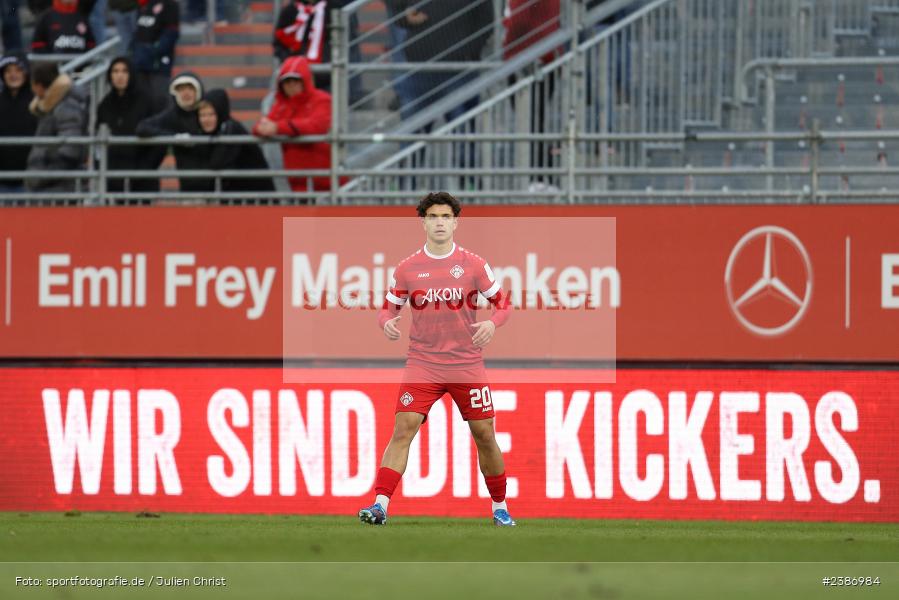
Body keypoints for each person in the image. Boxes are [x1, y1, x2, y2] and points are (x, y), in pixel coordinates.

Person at [357, 192, 515, 527]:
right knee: (404, 427)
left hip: (466, 363)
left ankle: (500, 507)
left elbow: (504, 304)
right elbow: (388, 308)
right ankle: (380, 505)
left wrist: (491, 322)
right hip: (423, 363)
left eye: (445, 216)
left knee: (484, 433)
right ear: (424, 222)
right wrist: (387, 322)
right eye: (433, 217)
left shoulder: (473, 264)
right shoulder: (408, 268)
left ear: (456, 221)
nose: (439, 222)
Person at [253, 55, 333, 196]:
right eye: (287, 82)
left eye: (295, 81)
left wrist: (278, 127)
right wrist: (262, 128)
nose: (291, 86)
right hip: (296, 178)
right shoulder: (282, 105)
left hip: (323, 178)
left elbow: (316, 126)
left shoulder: (322, 99)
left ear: (305, 81)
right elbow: (261, 125)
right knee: (299, 215)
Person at [96, 56, 166, 195]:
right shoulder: (105, 105)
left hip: (142, 182)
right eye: (115, 71)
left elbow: (159, 141)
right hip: (113, 181)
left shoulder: (147, 101)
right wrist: (102, 167)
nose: (119, 76)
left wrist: (143, 171)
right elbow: (98, 140)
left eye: (124, 71)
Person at [136, 71, 212, 192]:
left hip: (217, 184)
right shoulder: (173, 115)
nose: (186, 93)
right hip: (188, 187)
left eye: (190, 88)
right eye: (181, 89)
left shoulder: (209, 110)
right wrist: (174, 137)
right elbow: (142, 128)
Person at [25, 60, 89, 192]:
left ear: (39, 86)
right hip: (53, 184)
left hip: (61, 187)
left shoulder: (65, 106)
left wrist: (42, 177)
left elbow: (70, 150)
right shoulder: (52, 105)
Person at [198, 88, 275, 196]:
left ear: (220, 112)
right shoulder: (217, 131)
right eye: (202, 115)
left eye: (211, 114)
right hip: (239, 198)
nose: (206, 119)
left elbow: (217, 164)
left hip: (256, 199)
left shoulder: (231, 129)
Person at [273, 0, 331, 91]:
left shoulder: (333, 9)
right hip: (296, 77)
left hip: (327, 77)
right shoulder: (290, 10)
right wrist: (291, 63)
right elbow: (279, 43)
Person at [0, 51, 37, 194]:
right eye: (8, 71)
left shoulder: (38, 102)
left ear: (26, 73)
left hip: (31, 181)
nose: (13, 75)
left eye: (18, 70)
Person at [132, 0, 179, 108]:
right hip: (140, 62)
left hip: (160, 64)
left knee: (160, 99)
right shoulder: (142, 4)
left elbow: (171, 34)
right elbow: (137, 33)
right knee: (142, 100)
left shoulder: (170, 5)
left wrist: (152, 51)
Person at [30, 0, 95, 55]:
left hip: (79, 65)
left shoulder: (82, 18)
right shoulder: (46, 18)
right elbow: (37, 46)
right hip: (53, 66)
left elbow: (91, 45)